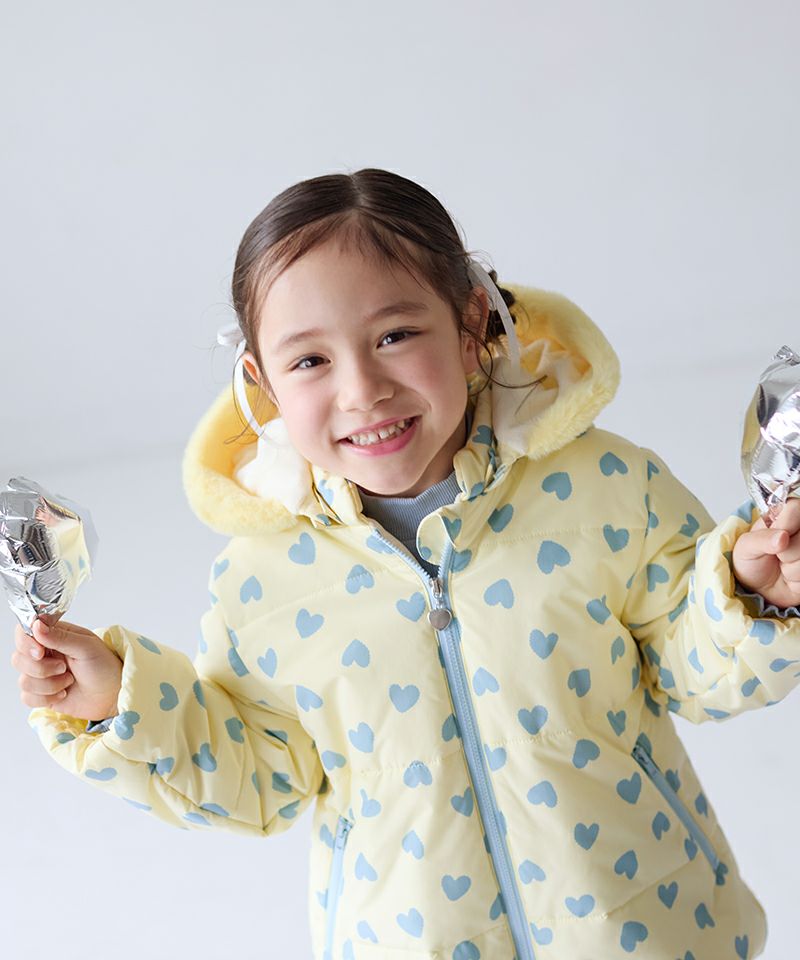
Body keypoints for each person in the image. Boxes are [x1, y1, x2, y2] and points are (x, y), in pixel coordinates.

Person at [11, 168, 800, 960]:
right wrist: (119, 703)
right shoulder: (262, 583)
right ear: (262, 383)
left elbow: (694, 669)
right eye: (310, 361)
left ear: (470, 324)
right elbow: (259, 778)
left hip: (645, 932)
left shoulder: (607, 491)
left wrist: (750, 595)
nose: (362, 390)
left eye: (394, 336)